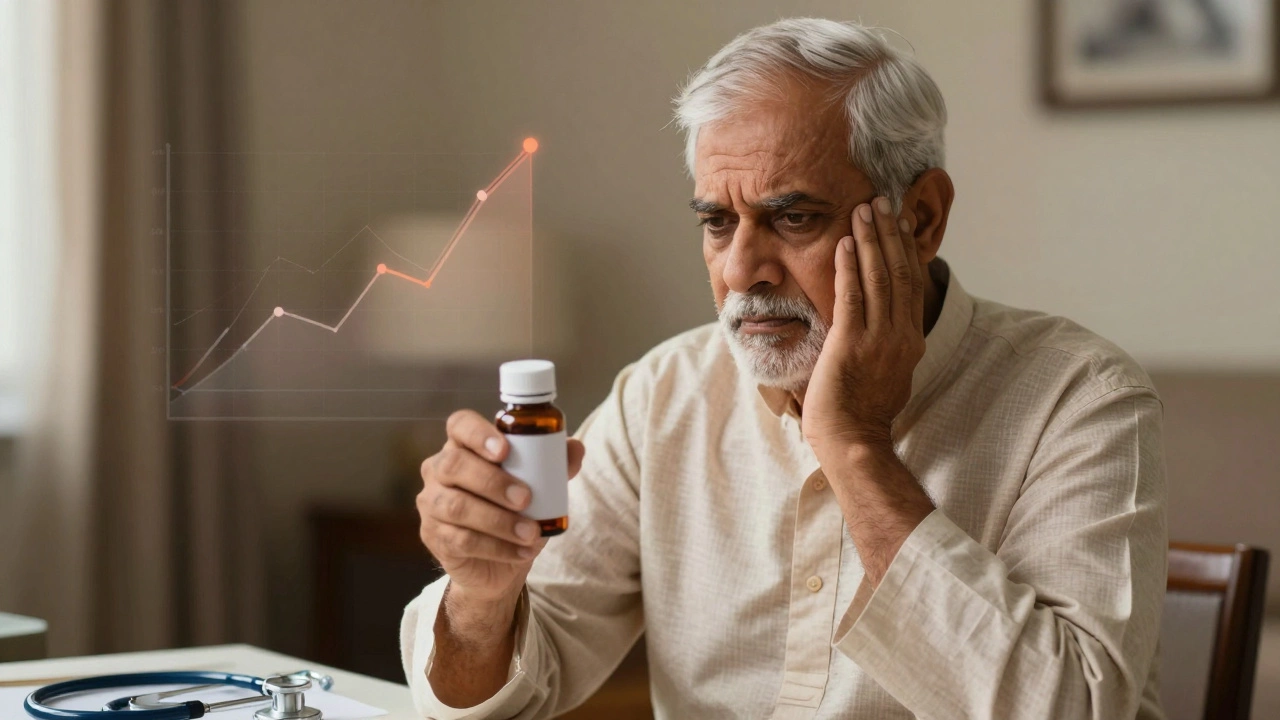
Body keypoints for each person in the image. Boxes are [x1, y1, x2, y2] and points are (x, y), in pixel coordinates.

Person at [401, 17, 1167, 720]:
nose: (741, 270)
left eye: (793, 217)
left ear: (922, 218)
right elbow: (510, 695)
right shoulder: (663, 395)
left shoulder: (1081, 397)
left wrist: (856, 444)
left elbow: (1075, 709)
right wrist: (482, 595)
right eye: (717, 222)